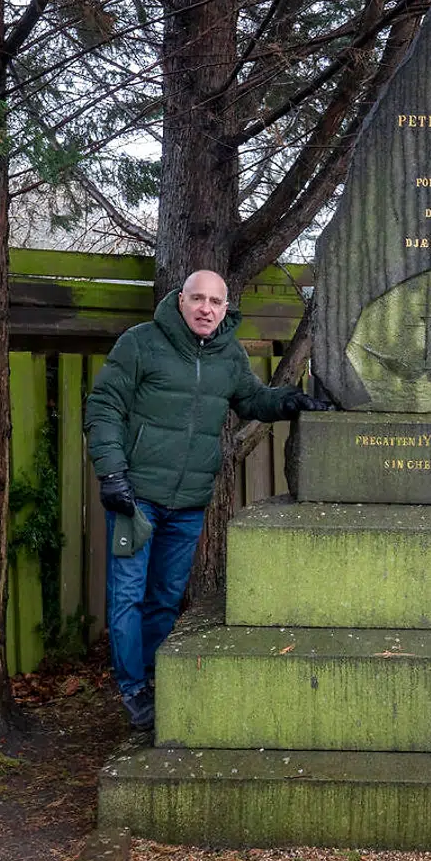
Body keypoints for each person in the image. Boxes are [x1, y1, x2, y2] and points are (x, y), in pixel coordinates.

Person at [84, 269, 329, 729]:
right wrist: (112, 472)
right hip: (135, 500)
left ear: (225, 309)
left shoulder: (227, 355)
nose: (206, 309)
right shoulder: (141, 343)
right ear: (180, 301)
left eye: (216, 302)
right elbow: (104, 407)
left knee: (163, 599)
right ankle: (133, 689)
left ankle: (157, 681)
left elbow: (253, 399)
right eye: (198, 299)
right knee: (127, 599)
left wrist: (291, 402)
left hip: (189, 504)